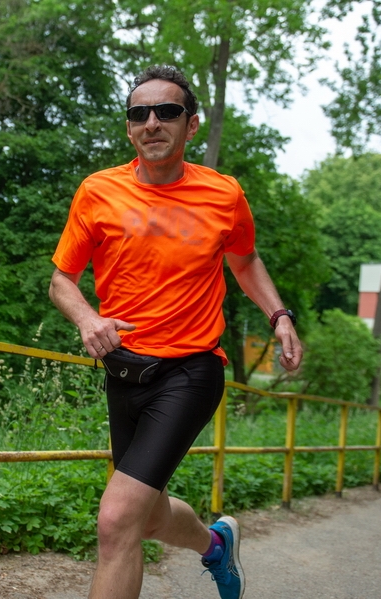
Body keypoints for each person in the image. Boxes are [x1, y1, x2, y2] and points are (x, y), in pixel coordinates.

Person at [48, 64, 302, 599]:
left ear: (190, 125)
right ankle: (215, 544)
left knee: (117, 520)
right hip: (125, 370)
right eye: (140, 113)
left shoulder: (223, 195)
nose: (152, 122)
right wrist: (87, 318)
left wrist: (280, 317)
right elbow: (61, 282)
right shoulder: (97, 192)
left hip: (191, 369)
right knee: (146, 513)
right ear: (129, 128)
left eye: (167, 111)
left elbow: (245, 259)